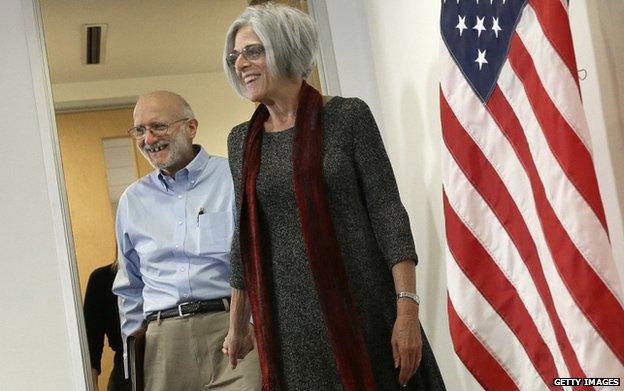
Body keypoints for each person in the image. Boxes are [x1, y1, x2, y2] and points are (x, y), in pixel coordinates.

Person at [221, 4, 446, 391]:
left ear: (286, 48)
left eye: (252, 51)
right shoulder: (241, 140)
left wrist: (407, 308)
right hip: (289, 330)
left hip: (363, 311)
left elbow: (388, 213)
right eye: (235, 55)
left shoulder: (348, 117)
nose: (240, 63)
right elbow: (242, 237)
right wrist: (238, 325)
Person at [112, 91, 261, 391]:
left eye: (158, 126)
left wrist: (253, 326)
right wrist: (135, 357)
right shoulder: (132, 200)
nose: (148, 139)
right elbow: (130, 287)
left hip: (232, 329)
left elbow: (257, 259)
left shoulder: (233, 176)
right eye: (139, 130)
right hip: (163, 343)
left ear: (191, 127)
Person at [84, 261, 132, 391]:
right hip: (125, 372)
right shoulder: (102, 279)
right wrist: (92, 385)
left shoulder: (158, 279)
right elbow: (91, 343)